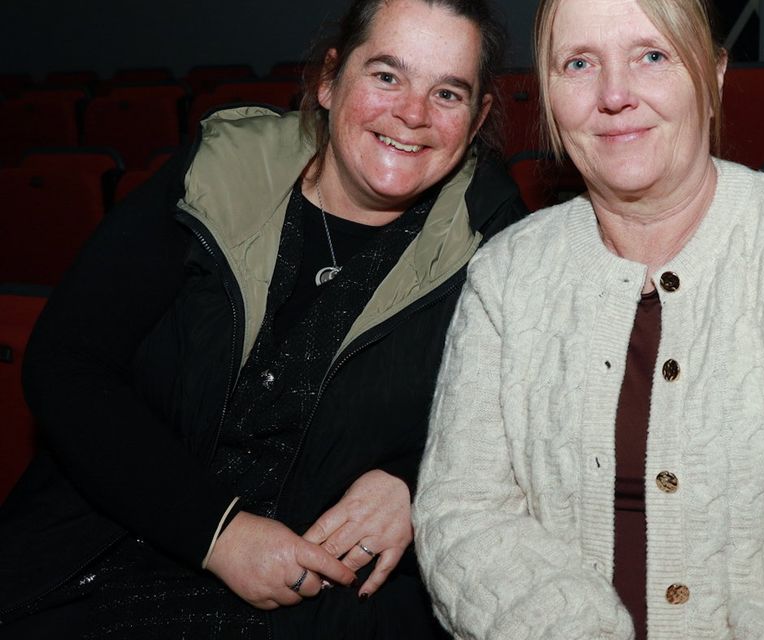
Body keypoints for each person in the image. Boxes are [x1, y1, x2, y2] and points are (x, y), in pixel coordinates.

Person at [413, 0, 764, 637]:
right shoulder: (505, 273)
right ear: (549, 93)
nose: (614, 94)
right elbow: (463, 513)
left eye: (652, 55)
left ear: (715, 76)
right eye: (579, 62)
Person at [0, 0, 525, 637]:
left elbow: (513, 424)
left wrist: (414, 485)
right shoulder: (215, 176)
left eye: (448, 92)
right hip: (102, 549)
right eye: (387, 75)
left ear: (478, 119)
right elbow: (67, 365)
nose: (412, 113)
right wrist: (217, 534)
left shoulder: (494, 240)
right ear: (330, 80)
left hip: (317, 600)